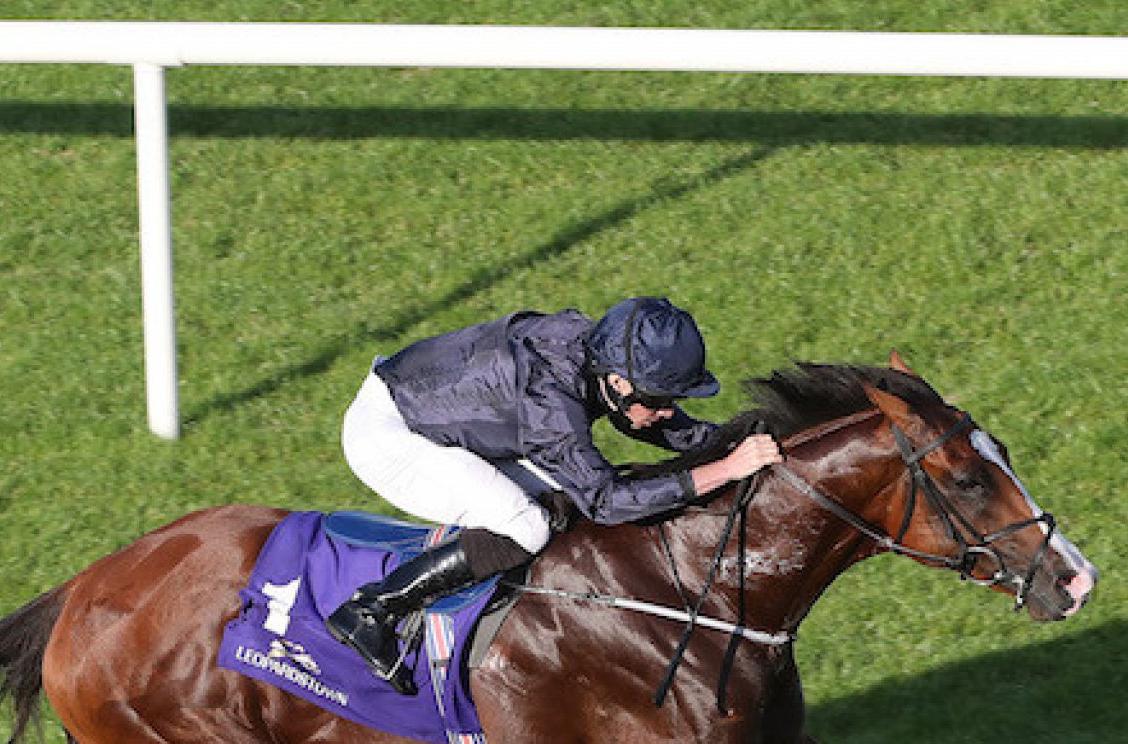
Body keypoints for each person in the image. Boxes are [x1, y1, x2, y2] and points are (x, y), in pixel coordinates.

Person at [326, 296, 785, 693]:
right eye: (659, 400)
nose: (668, 413)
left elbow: (652, 425)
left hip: (441, 413)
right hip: (390, 436)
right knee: (526, 526)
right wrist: (725, 469)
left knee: (560, 504)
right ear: (619, 384)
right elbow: (606, 501)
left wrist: (730, 441)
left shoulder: (600, 356)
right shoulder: (551, 400)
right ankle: (373, 611)